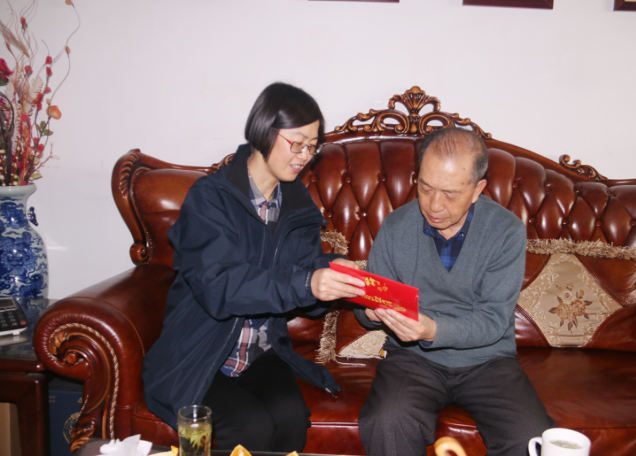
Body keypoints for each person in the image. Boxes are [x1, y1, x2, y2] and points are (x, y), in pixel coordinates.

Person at [143, 82, 365, 452]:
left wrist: (331, 274)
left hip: (258, 353)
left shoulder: (297, 208)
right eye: (297, 143)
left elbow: (303, 289)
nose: (305, 156)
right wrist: (307, 282)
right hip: (200, 352)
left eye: (312, 146)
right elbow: (220, 287)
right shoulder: (210, 198)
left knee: (291, 418)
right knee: (249, 427)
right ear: (264, 130)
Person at [354, 127, 555, 456]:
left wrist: (432, 330)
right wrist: (370, 311)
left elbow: (493, 321)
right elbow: (366, 309)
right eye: (425, 188)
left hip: (487, 361)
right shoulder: (396, 226)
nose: (434, 205)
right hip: (412, 360)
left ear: (477, 190)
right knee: (386, 421)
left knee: (531, 438)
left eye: (450, 193)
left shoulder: (505, 231)